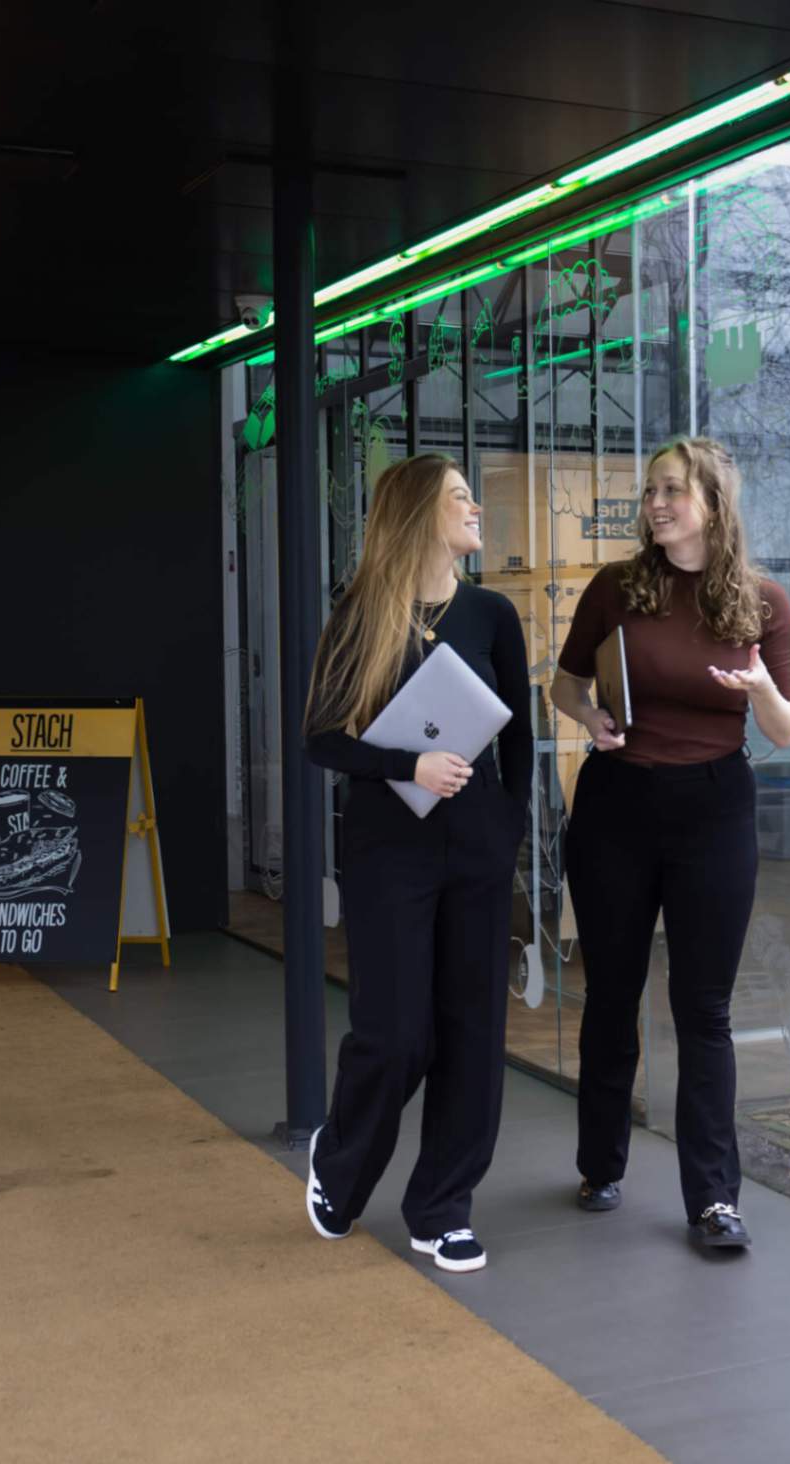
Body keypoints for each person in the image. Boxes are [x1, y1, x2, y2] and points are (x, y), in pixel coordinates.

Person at [551, 436, 790, 1252]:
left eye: (671, 491)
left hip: (715, 809)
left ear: (712, 504)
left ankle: (714, 1201)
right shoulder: (617, 588)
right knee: (612, 993)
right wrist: (589, 720)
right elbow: (565, 681)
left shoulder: (761, 603)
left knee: (704, 1009)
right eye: (651, 491)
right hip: (617, 804)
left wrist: (762, 686)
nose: (655, 504)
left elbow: (786, 729)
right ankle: (600, 1163)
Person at [299, 453, 533, 1274]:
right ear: (418, 515)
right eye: (460, 497)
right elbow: (321, 737)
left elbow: (520, 739)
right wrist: (407, 768)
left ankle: (442, 1207)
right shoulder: (360, 612)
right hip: (386, 847)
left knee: (474, 1033)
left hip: (476, 847)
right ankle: (342, 1164)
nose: (475, 508)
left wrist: (508, 826)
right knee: (396, 1035)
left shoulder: (494, 613)